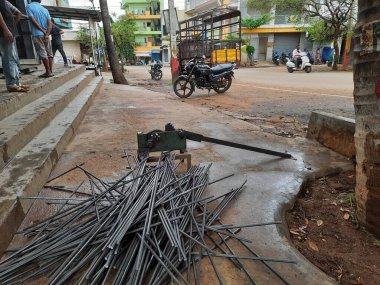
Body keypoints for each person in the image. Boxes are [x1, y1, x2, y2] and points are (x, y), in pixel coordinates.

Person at [0, 0, 29, 92]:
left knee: (13, 57)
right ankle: (12, 84)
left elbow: (18, 13)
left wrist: (10, 28)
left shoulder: (4, 2)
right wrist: (6, 29)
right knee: (8, 58)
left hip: (8, 32)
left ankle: (16, 83)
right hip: (3, 33)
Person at [26, 0, 54, 78]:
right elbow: (50, 24)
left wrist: (42, 30)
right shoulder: (45, 9)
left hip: (37, 34)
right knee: (49, 53)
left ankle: (48, 72)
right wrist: (47, 34)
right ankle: (50, 71)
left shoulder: (29, 6)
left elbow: (32, 20)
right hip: (47, 35)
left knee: (42, 53)